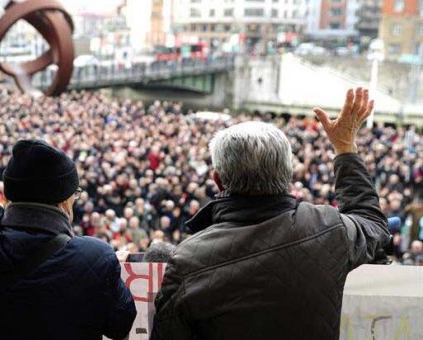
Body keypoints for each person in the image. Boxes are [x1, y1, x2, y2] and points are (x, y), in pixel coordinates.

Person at [151, 88, 390, 340]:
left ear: (218, 181)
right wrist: (344, 148)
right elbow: (372, 223)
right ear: (288, 177)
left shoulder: (188, 261)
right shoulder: (328, 228)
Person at [0, 83, 137, 340]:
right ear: (64, 201)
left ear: (9, 193)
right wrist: (112, 271)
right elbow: (120, 325)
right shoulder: (95, 257)